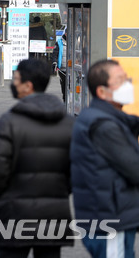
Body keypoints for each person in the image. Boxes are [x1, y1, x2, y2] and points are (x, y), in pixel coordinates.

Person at [0, 59, 74, 258]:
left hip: (13, 212)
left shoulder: (9, 121)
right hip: (54, 213)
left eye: (16, 79)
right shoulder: (68, 123)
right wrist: (60, 191)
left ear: (28, 85)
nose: (13, 83)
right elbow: (77, 171)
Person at [71, 60, 139, 257]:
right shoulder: (103, 125)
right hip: (110, 219)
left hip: (111, 215)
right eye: (120, 81)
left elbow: (129, 122)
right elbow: (134, 168)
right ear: (102, 92)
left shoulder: (101, 116)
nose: (128, 85)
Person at [52, 32, 68, 102]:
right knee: (64, 84)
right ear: (65, 33)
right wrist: (55, 63)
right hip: (62, 68)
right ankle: (65, 99)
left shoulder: (75, 41)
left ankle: (70, 100)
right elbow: (55, 54)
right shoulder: (59, 42)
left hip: (72, 68)